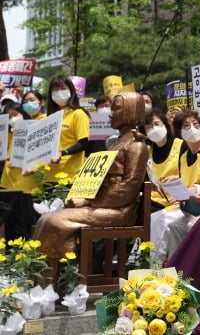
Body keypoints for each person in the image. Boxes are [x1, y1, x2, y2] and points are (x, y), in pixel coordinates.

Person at [33, 91, 149, 283]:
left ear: (130, 110)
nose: (110, 114)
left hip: (118, 210)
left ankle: (58, 281)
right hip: (102, 205)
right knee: (46, 218)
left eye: (115, 108)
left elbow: (127, 188)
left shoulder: (137, 146)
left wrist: (88, 200)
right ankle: (49, 280)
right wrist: (80, 194)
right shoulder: (117, 143)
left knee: (56, 221)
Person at [162, 110, 200, 259]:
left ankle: (196, 268)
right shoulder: (183, 157)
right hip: (190, 209)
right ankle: (177, 270)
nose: (192, 128)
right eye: (186, 126)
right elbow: (185, 185)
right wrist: (179, 195)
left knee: (192, 226)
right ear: (180, 132)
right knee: (173, 227)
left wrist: (194, 189)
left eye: (196, 124)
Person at [140, 107, 187, 263]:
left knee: (154, 218)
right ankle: (140, 258)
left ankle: (154, 263)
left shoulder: (181, 146)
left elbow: (192, 175)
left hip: (178, 201)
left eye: (156, 123)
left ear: (165, 124)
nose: (153, 129)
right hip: (155, 200)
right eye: (148, 126)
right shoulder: (148, 152)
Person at [46, 75, 90, 181]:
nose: (59, 92)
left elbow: (83, 143)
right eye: (55, 89)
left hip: (69, 175)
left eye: (63, 88)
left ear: (71, 91)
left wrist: (63, 152)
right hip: (48, 176)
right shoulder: (51, 117)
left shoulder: (78, 114)